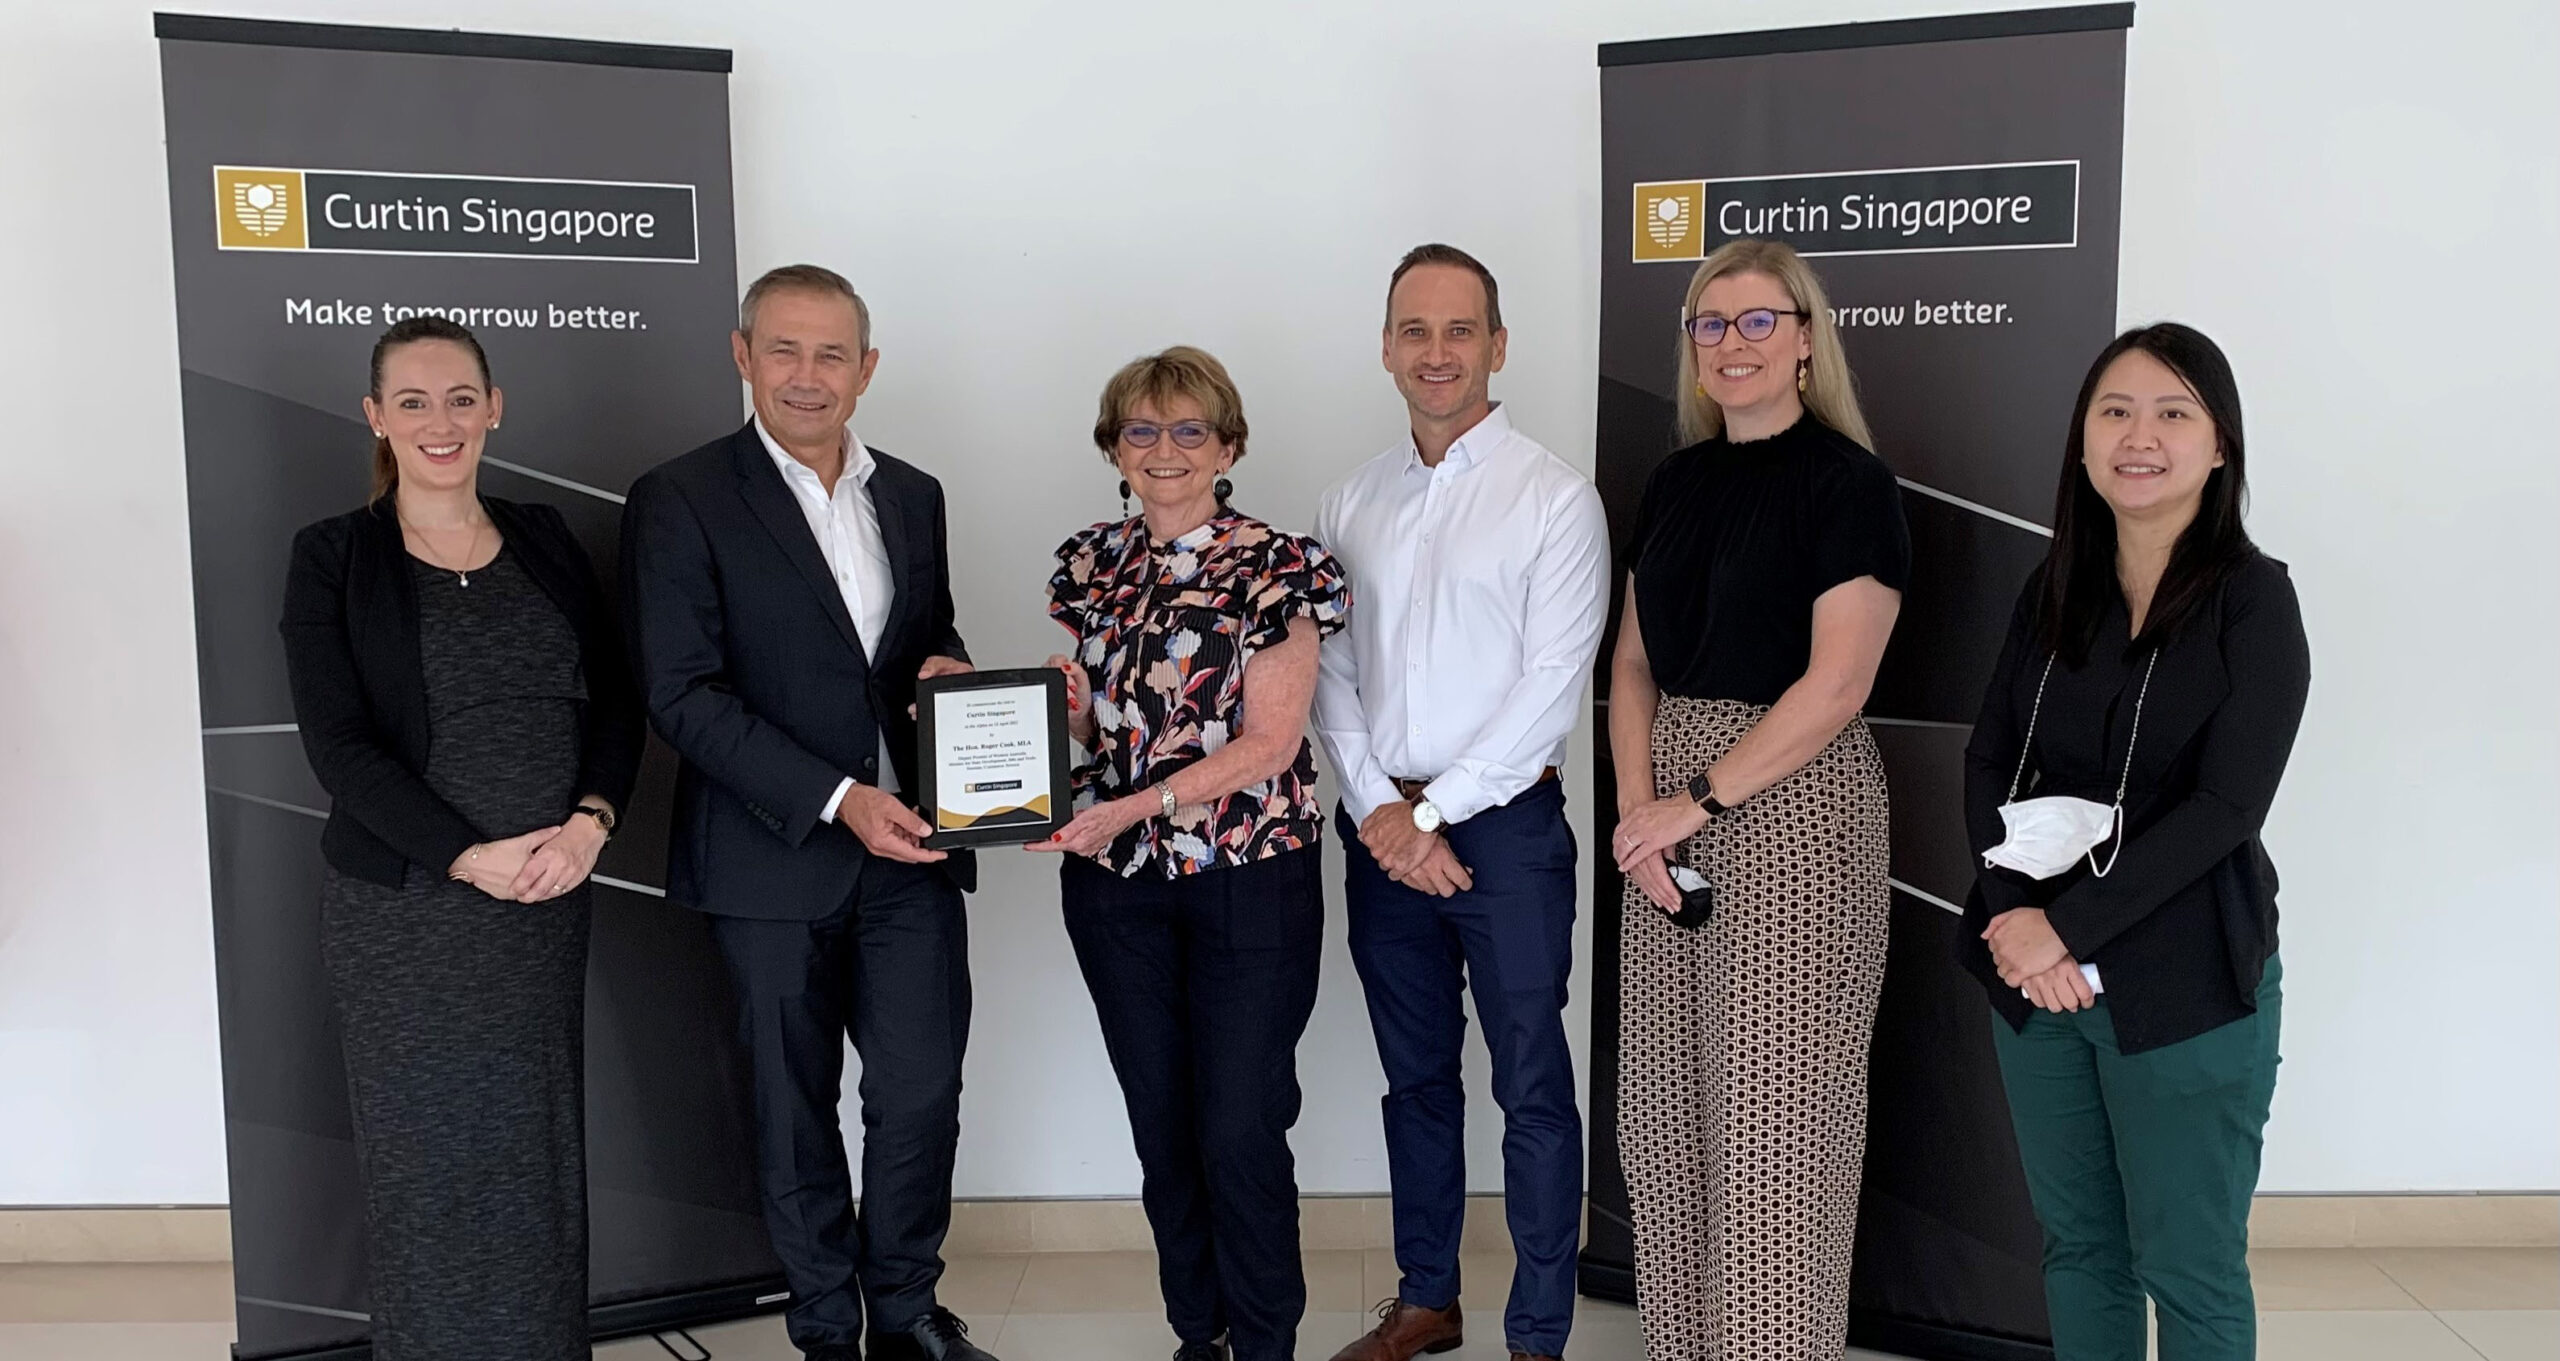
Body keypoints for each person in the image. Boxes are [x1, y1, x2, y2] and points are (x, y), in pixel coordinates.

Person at [620, 265, 994, 1361]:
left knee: (921, 1094)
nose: (806, 374)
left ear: (866, 369)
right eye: (782, 349)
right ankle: (828, 1324)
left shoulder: (912, 493)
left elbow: (924, 638)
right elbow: (681, 692)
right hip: (767, 854)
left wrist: (948, 671)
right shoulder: (681, 496)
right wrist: (839, 798)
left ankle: (908, 1312)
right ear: (742, 356)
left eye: (832, 353)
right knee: (792, 1110)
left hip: (912, 852)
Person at [279, 316, 643, 1359]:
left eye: (459, 398)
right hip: (406, 918)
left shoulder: (545, 537)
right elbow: (340, 747)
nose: (438, 422)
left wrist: (590, 826)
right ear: (376, 417)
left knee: (534, 1154)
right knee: (425, 1161)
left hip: (541, 904)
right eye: (412, 401)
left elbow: (616, 700)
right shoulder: (333, 556)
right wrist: (466, 855)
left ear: (493, 409)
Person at [1962, 323, 2308, 1361]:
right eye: (2114, 411)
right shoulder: (2051, 589)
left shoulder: (2254, 599)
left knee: (2190, 1267)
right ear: (2082, 442)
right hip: (2035, 984)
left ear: (2219, 444)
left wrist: (2066, 928)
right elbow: (1989, 757)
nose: (2139, 436)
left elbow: (2225, 806)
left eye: (2172, 413)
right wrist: (2017, 919)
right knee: (2080, 1251)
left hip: (2184, 985)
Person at [1606, 237, 1909, 1358]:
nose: (1731, 343)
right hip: (1663, 819)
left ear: (1805, 339)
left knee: (1775, 1122)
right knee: (1663, 1114)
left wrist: (1693, 800)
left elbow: (1838, 683)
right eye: (1709, 322)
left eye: (1756, 320)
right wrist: (1639, 814)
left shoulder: (1850, 483)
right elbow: (1632, 664)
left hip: (1794, 805)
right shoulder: (1675, 482)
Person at [1313, 245, 1609, 1361]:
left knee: (1532, 1082)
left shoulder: (1554, 498)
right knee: (1416, 1080)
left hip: (1508, 833)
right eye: (1414, 330)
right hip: (1382, 833)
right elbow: (1331, 676)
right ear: (1387, 347)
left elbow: (1551, 688)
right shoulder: (1349, 501)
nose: (1436, 352)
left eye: (1459, 329)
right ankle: (1426, 1300)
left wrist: (1428, 816)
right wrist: (1384, 814)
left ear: (1497, 344)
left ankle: (1537, 1334)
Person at [1029, 346, 1349, 1361]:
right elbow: (1101, 735)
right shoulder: (1091, 562)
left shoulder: (1278, 564)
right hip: (1116, 890)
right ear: (1113, 447)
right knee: (1163, 1128)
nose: (1163, 449)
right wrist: (1067, 714)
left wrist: (1132, 805)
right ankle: (1197, 1335)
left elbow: (1272, 743)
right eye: (1141, 429)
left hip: (1249, 879)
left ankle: (1264, 1340)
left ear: (1228, 446)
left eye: (1188, 429)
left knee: (1239, 1128)